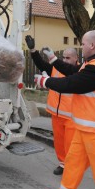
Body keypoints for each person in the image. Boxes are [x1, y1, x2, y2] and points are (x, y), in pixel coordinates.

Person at [35, 30, 95, 189]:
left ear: (92, 45)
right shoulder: (93, 63)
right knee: (72, 166)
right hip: (84, 129)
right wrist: (52, 58)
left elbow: (72, 83)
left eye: (83, 44)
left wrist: (45, 81)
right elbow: (70, 71)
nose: (81, 47)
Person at [25, 35, 78, 175]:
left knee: (71, 145)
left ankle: (72, 167)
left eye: (68, 58)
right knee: (59, 144)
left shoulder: (79, 72)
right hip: (56, 114)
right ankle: (62, 164)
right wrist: (33, 50)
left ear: (76, 59)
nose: (65, 60)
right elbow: (41, 64)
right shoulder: (56, 68)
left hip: (73, 116)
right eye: (64, 57)